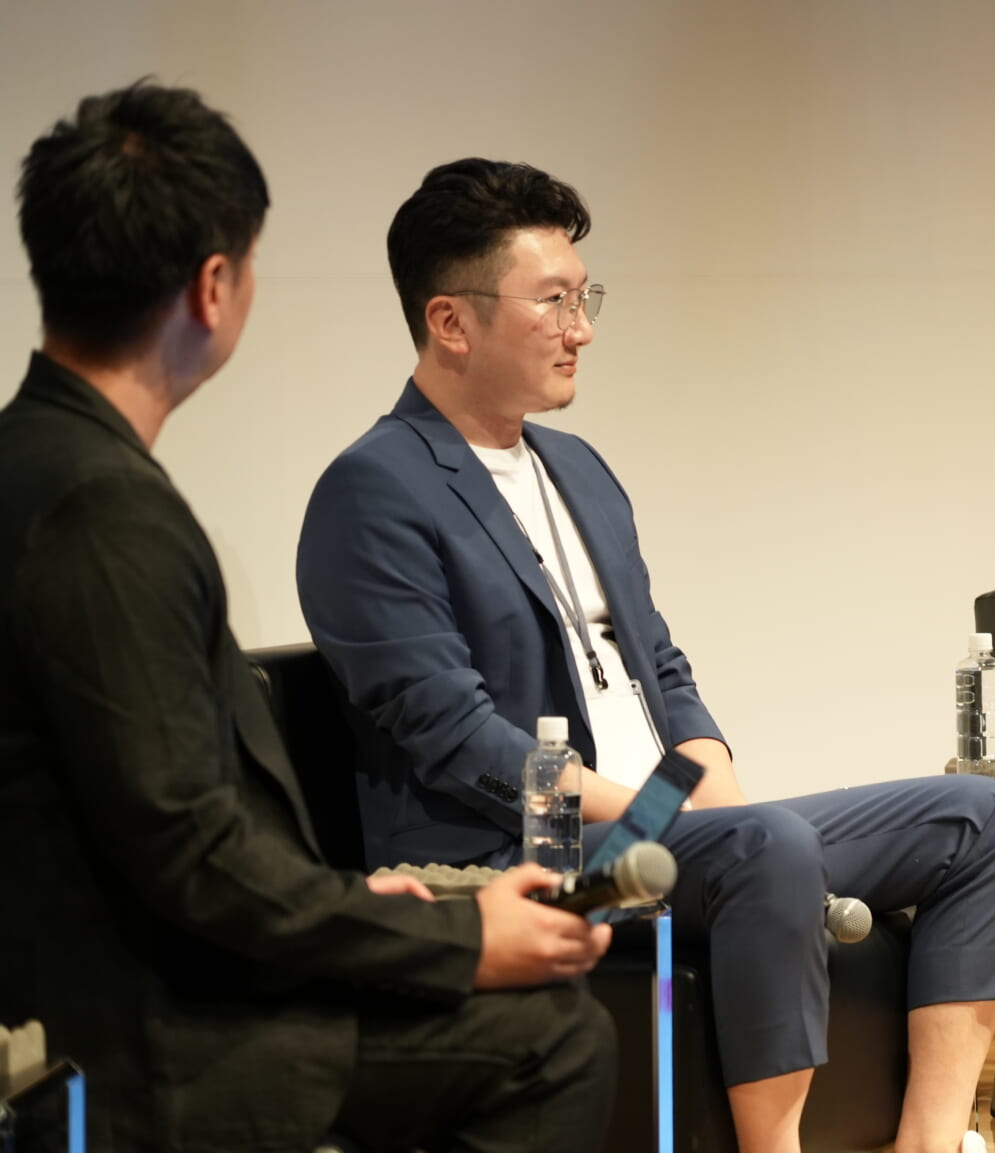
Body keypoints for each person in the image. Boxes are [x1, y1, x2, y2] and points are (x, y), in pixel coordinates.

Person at [294, 158, 995, 1153]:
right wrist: (675, 821)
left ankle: (929, 1143)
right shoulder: (373, 490)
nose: (581, 328)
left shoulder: (578, 468)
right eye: (553, 301)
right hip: (534, 859)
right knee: (767, 847)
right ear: (451, 321)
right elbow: (458, 739)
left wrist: (711, 797)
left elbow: (661, 673)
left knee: (985, 819)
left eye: (584, 297)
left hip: (666, 827)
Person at [0, 85, 618, 1153]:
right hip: (145, 1034)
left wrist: (358, 899)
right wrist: (452, 934)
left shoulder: (39, 464)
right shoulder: (102, 508)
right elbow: (191, 852)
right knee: (553, 1040)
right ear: (214, 287)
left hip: (135, 978)